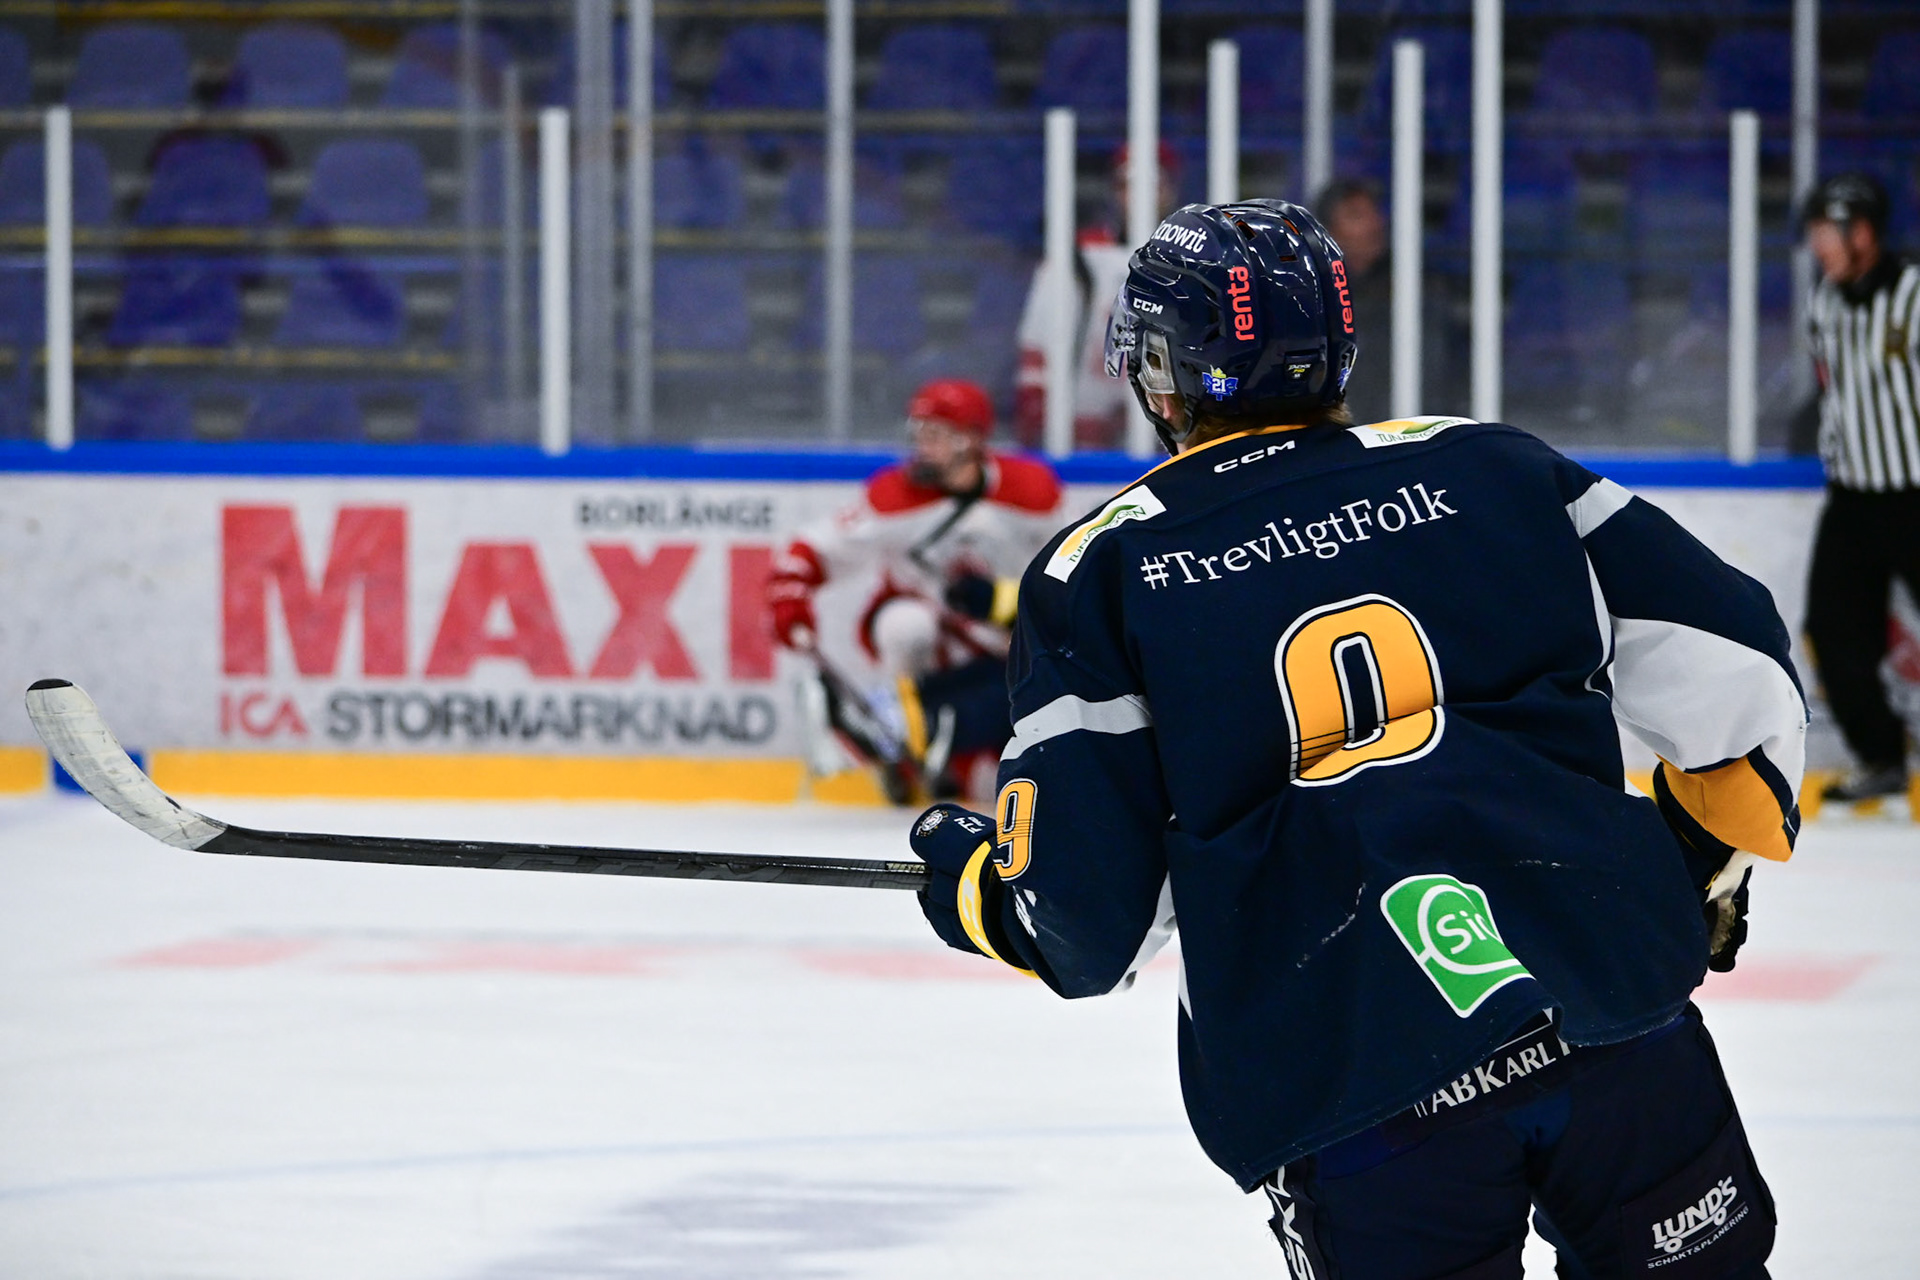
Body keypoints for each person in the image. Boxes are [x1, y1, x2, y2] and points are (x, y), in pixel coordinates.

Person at [908, 201, 1805, 1277]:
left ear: (1160, 370)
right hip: (1613, 1010)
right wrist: (1693, 859)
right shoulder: (1496, 467)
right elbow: (1743, 673)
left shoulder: (1100, 571)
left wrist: (982, 888)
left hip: (1358, 1075)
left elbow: (1088, 923)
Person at [767, 378, 1064, 801]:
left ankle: (910, 731)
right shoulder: (894, 496)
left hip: (1005, 643)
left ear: (970, 440)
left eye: (936, 434)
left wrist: (1002, 601)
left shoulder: (1031, 492)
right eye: (919, 432)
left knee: (995, 782)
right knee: (905, 626)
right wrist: (789, 598)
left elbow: (1069, 580)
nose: (922, 446)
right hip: (927, 642)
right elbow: (812, 549)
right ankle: (903, 736)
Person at [1800, 172, 1920, 803]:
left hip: (1916, 494)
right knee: (1832, 630)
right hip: (1852, 499)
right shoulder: (1823, 300)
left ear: (1864, 233)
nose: (1818, 245)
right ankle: (1881, 756)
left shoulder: (1915, 294)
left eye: (1828, 231)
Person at [1013, 142, 1179, 450]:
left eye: (1153, 184)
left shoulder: (1193, 260)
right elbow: (1037, 342)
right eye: (1127, 185)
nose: (1139, 196)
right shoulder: (1077, 256)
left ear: (1170, 190)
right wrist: (1036, 412)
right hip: (1080, 429)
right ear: (1115, 191)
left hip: (1164, 432)